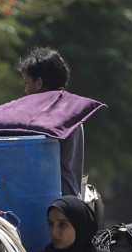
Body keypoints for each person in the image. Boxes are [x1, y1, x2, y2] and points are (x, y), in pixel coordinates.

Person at [18, 47, 85, 198]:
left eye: (27, 82)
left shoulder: (47, 119)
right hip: (71, 198)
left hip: (53, 205)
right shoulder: (71, 112)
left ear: (39, 83)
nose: (25, 89)